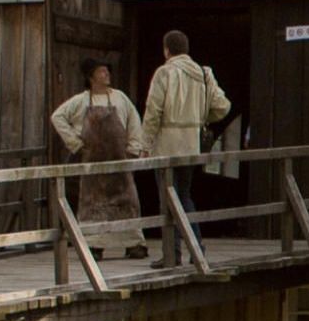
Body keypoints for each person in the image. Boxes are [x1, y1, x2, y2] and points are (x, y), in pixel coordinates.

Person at [50, 58, 147, 258]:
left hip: (119, 161)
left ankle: (134, 244)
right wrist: (75, 143)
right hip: (92, 164)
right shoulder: (81, 101)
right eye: (101, 71)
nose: (106, 74)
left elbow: (134, 121)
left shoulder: (120, 98)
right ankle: (94, 245)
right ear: (90, 77)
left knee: (127, 202)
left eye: (106, 71)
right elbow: (57, 117)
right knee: (92, 206)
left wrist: (134, 147)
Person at [142, 29, 230, 214]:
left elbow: (153, 111)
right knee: (184, 195)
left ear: (167, 50)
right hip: (191, 143)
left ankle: (173, 244)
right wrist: (201, 118)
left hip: (167, 145)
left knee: (167, 198)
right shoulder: (203, 74)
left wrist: (145, 144)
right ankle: (195, 243)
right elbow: (222, 106)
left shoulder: (164, 73)